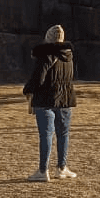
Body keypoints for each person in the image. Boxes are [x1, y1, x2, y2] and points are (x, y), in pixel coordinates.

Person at [22, 25, 77, 182]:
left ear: (48, 38)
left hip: (45, 99)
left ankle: (42, 171)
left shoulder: (45, 55)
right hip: (65, 99)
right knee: (63, 134)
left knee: (46, 135)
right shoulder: (69, 56)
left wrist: (27, 90)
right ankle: (62, 168)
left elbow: (38, 78)